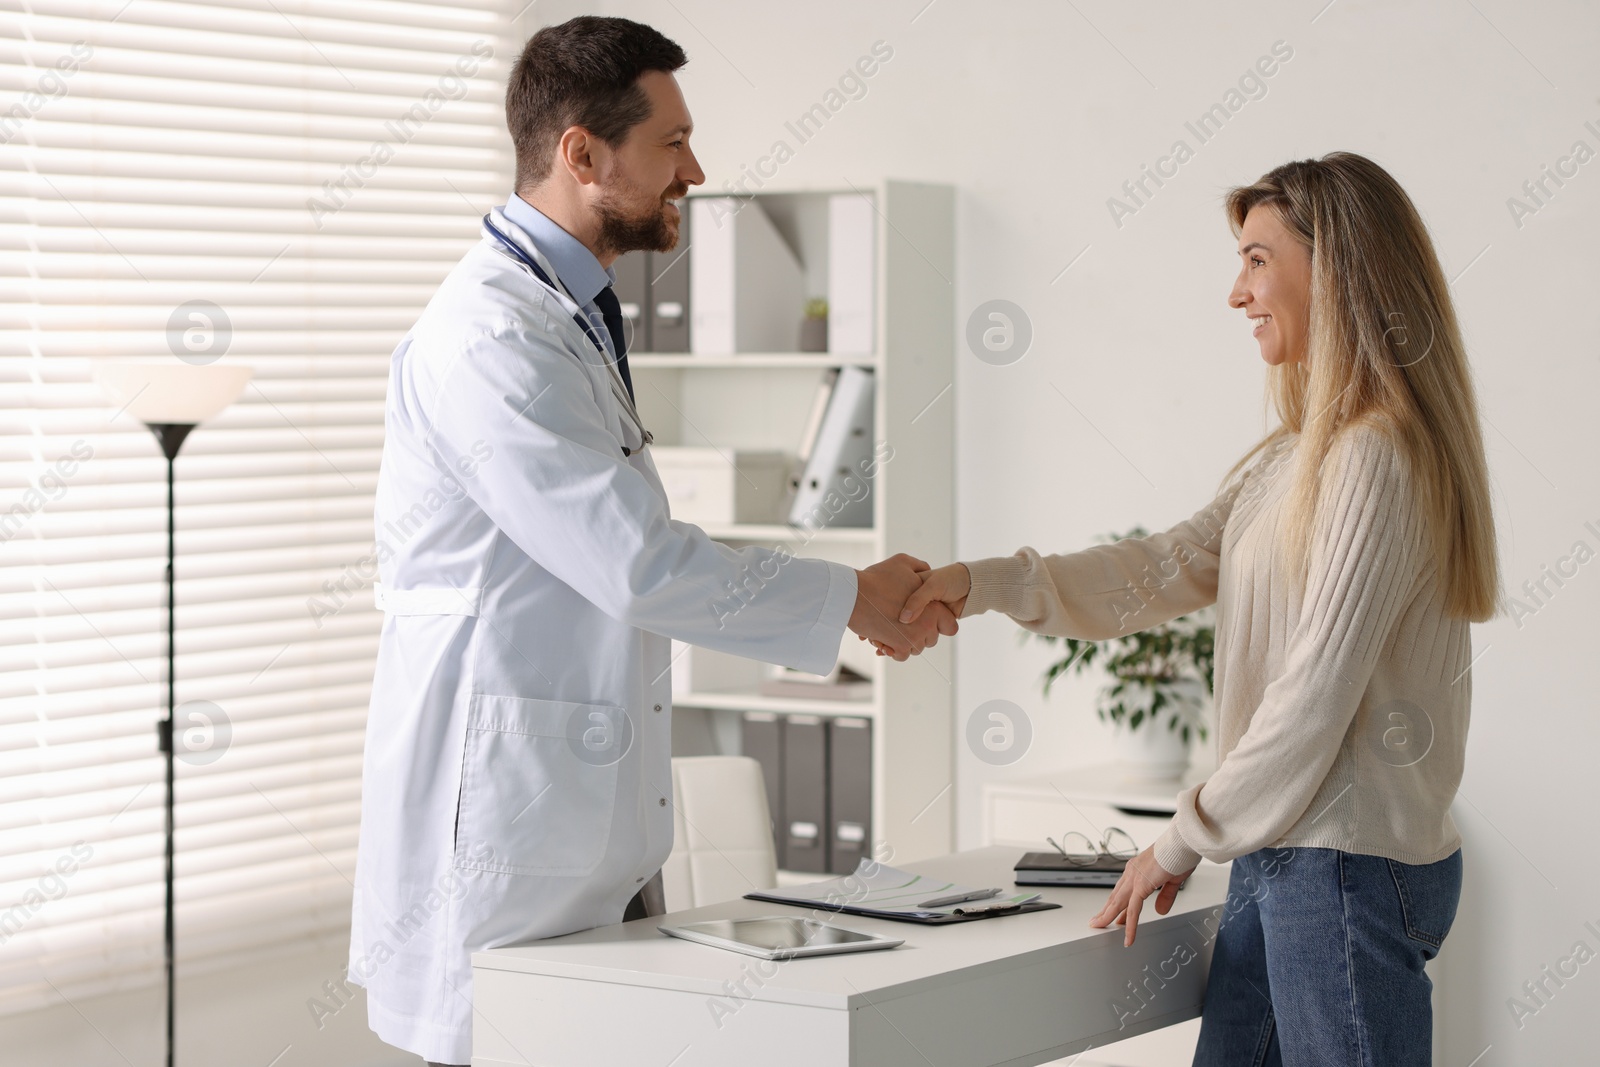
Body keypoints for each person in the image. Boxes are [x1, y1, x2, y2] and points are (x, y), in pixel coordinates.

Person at [347, 17, 955, 1066]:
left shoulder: (563, 312)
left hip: (572, 821)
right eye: (671, 144)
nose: (697, 170)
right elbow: (634, 561)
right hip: (504, 831)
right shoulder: (490, 338)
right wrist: (851, 595)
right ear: (582, 154)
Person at [900, 152, 1498, 1065]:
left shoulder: (1377, 456)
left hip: (1342, 865)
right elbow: (1160, 566)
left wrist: (1179, 841)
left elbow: (1310, 699)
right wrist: (979, 582)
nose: (1236, 292)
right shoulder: (1297, 455)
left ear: (1332, 267)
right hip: (1287, 858)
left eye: (1258, 258)